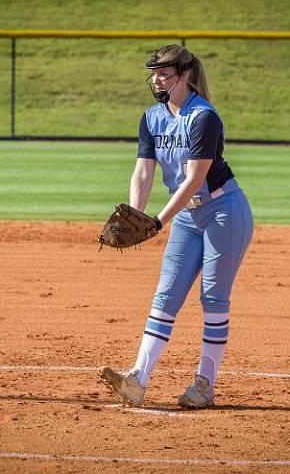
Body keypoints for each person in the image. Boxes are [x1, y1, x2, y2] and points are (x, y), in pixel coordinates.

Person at [98, 44, 254, 409]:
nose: (157, 80)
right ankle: (137, 379)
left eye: (165, 73)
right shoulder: (152, 117)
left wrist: (156, 222)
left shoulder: (204, 117)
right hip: (187, 216)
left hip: (223, 211)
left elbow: (194, 178)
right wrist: (135, 213)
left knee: (213, 298)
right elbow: (143, 170)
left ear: (185, 75)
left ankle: (204, 384)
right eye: (153, 74)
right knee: (166, 295)